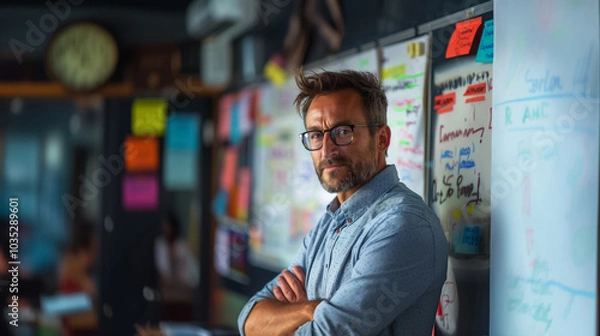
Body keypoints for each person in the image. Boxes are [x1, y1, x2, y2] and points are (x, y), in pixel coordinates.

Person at [238, 70, 448, 335]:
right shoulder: (328, 225)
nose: (327, 150)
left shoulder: (404, 225)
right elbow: (248, 320)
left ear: (381, 139)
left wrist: (288, 321)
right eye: (316, 135)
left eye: (342, 131)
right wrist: (309, 310)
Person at [154, 212, 199, 321]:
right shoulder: (160, 245)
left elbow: (194, 276)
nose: (167, 231)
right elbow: (163, 275)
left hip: (184, 296)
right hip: (167, 297)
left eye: (169, 227)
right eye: (164, 227)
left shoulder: (183, 247)